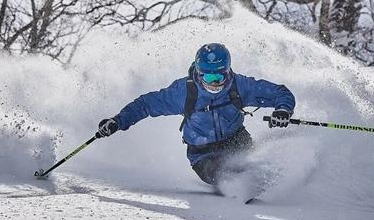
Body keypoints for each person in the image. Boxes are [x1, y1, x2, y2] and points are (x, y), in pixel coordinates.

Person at [96, 43, 295, 189]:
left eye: (219, 76)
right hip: (203, 153)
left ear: (228, 71)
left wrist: (282, 110)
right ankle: (240, 187)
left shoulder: (240, 86)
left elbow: (279, 93)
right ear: (199, 73)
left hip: (237, 140)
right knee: (226, 174)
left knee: (252, 164)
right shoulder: (183, 92)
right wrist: (118, 121)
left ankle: (265, 179)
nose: (214, 82)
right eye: (208, 77)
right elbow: (147, 104)